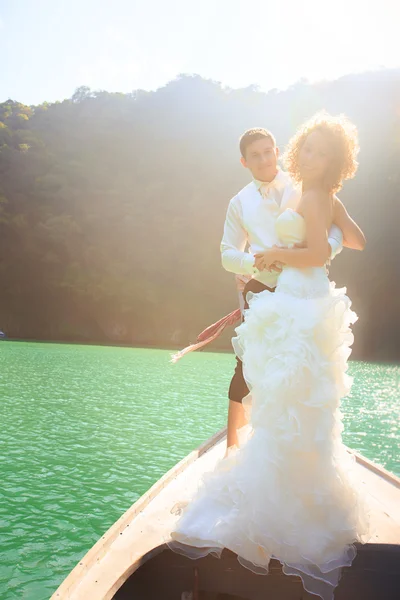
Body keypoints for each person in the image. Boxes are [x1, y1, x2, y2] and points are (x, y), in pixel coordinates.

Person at [168, 113, 369, 600]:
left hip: (298, 294)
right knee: (263, 380)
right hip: (273, 291)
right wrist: (258, 263)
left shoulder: (307, 188)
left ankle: (282, 481)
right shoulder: (244, 201)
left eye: (272, 150)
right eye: (256, 154)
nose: (270, 158)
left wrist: (286, 254)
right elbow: (229, 252)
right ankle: (260, 461)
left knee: (293, 385)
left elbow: (324, 245)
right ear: (244, 160)